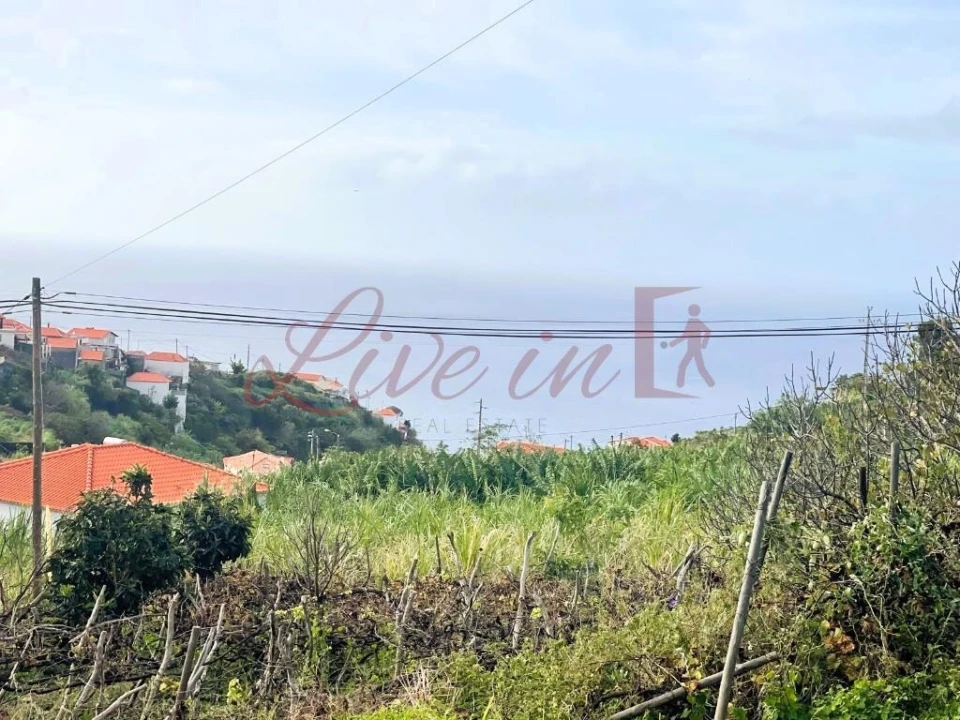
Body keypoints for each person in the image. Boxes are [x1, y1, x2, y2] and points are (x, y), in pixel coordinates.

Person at [669, 304, 714, 388]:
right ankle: (710, 383)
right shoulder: (693, 321)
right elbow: (686, 334)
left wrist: (673, 343)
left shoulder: (693, 322)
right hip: (692, 348)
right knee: (698, 367)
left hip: (694, 348)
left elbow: (685, 335)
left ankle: (680, 384)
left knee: (684, 366)